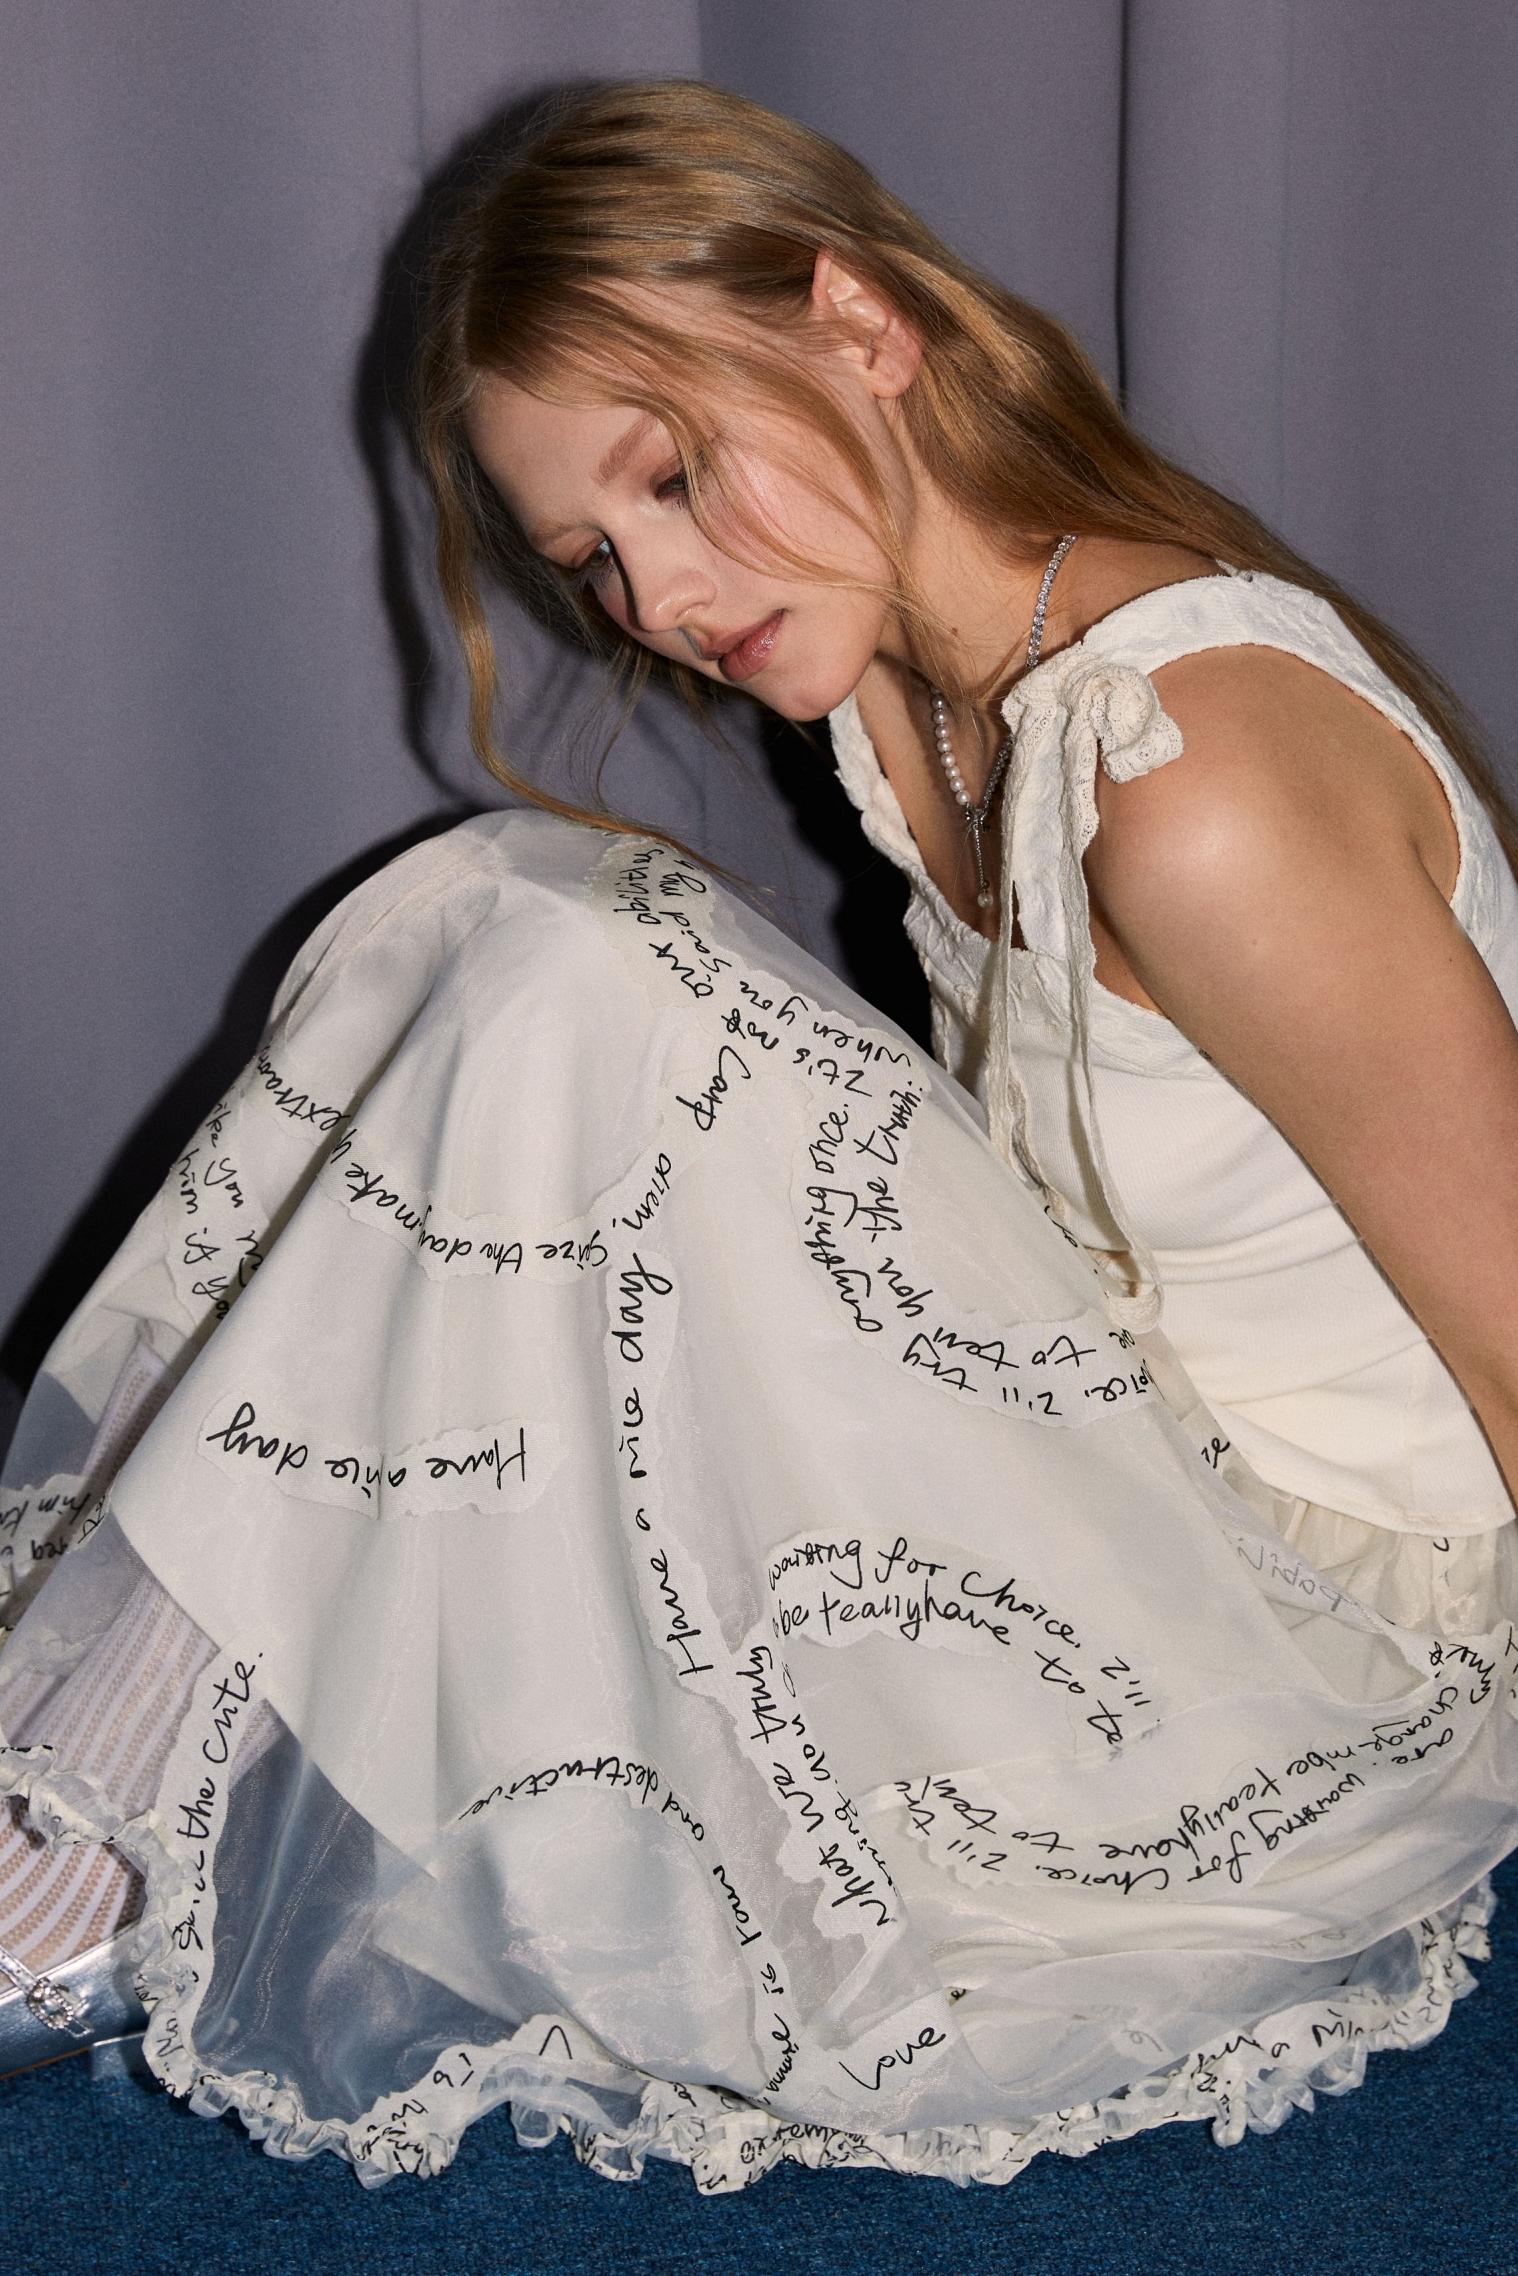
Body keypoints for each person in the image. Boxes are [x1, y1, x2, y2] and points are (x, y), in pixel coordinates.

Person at [0, 75, 1514, 2198]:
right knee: (506, 956)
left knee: (553, 952)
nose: (659, 593)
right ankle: (72, 1812)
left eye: (674, 475)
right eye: (597, 557)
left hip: (1328, 1652)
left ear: (857, 323)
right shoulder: (919, 696)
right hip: (1118, 1499)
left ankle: (63, 1852)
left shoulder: (1195, 774)